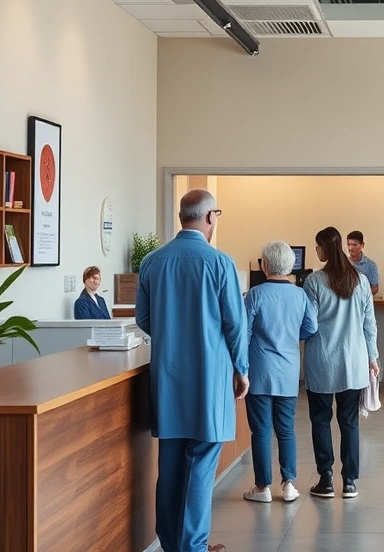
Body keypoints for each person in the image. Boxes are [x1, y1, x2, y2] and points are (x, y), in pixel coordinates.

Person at [135, 189, 248, 552]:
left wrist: (171, 336)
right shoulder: (220, 263)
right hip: (209, 379)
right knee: (201, 465)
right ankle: (194, 547)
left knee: (170, 467)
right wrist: (241, 368)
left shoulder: (153, 261)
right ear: (210, 217)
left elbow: (143, 318)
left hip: (167, 378)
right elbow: (235, 324)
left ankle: (172, 545)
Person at [303, 227, 379, 499]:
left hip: (321, 361)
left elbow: (309, 324)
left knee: (320, 420)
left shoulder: (313, 282)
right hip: (353, 361)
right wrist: (372, 357)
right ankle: (349, 482)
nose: (316, 250)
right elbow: (369, 324)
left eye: (317, 246)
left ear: (324, 248)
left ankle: (326, 479)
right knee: (349, 422)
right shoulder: (360, 280)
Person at [242, 241, 318, 505]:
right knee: (286, 429)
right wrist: (290, 337)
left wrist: (239, 367)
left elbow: (244, 333)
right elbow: (311, 326)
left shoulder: (255, 294)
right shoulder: (300, 295)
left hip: (259, 371)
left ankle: (262, 487)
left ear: (265, 265)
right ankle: (289, 484)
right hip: (288, 371)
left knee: (261, 431)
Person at [346, 230, 379, 296]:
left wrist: (359, 297)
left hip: (364, 300)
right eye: (349, 244)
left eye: (354, 245)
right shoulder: (343, 263)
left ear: (362, 245)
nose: (350, 248)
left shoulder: (371, 265)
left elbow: (375, 289)